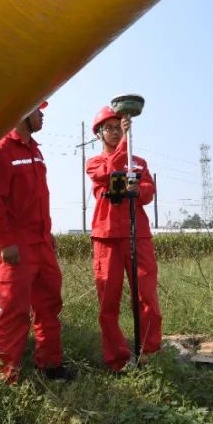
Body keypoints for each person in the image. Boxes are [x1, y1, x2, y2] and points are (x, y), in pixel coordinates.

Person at [0, 101, 72, 382]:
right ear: (22, 113)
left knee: (49, 307)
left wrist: (48, 234)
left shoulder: (35, 150)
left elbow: (36, 200)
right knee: (15, 312)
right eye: (37, 109)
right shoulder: (0, 151)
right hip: (15, 248)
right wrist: (5, 242)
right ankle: (4, 379)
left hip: (41, 245)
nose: (42, 114)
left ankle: (50, 366)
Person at [85, 105, 162, 372]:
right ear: (99, 134)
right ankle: (117, 359)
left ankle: (148, 352)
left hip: (137, 233)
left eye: (119, 127)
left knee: (147, 295)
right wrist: (126, 145)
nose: (116, 132)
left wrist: (137, 189)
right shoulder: (94, 162)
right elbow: (107, 172)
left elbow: (149, 191)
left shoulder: (138, 162)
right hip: (106, 237)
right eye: (110, 128)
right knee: (109, 300)